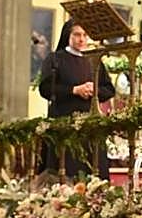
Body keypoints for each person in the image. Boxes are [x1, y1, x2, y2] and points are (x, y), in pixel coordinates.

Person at [37, 19, 117, 175]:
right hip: (64, 124)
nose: (81, 39)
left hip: (91, 125)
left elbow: (109, 89)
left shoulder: (95, 60)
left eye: (85, 35)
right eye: (77, 35)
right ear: (68, 36)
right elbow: (45, 88)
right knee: (65, 170)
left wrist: (94, 90)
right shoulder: (55, 59)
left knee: (93, 171)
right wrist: (74, 90)